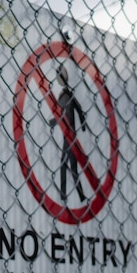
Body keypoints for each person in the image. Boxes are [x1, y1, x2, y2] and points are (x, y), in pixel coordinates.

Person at [50, 66, 87, 202]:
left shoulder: (66, 96)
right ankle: (76, 196)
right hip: (69, 136)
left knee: (68, 166)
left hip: (70, 136)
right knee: (69, 166)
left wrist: (52, 123)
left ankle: (67, 195)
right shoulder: (65, 96)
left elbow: (64, 114)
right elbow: (76, 111)